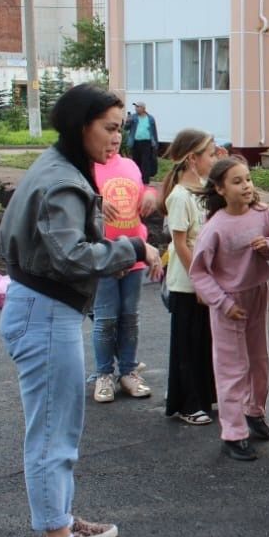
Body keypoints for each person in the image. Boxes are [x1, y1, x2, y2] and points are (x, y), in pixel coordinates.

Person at [0, 83, 163, 537]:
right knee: (53, 430)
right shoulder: (63, 181)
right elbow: (70, 256)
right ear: (80, 126)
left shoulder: (59, 168)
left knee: (59, 424)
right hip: (46, 312)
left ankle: (60, 517)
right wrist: (131, 249)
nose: (118, 139)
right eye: (110, 128)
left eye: (121, 129)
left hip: (42, 307)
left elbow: (19, 233)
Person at [188, 158, 269, 461]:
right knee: (231, 368)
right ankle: (233, 432)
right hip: (229, 302)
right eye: (237, 182)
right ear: (220, 189)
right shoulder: (215, 227)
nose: (246, 186)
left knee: (259, 361)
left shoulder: (264, 215)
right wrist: (224, 303)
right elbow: (199, 272)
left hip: (257, 294)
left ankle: (254, 412)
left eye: (248, 179)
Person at [90, 137, 159, 405]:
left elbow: (142, 190)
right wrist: (94, 203)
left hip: (134, 255)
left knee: (130, 317)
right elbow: (76, 205)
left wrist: (151, 195)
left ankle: (128, 371)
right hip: (103, 254)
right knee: (105, 319)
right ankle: (104, 374)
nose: (112, 142)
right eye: (106, 137)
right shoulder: (87, 170)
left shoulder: (129, 165)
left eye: (117, 136)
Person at [159, 128, 219, 426]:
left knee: (205, 341)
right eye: (210, 153)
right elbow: (181, 243)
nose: (215, 157)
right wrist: (199, 281)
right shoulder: (180, 196)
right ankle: (186, 403)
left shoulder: (206, 189)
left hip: (206, 280)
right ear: (193, 159)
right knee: (186, 343)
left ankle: (206, 396)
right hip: (187, 284)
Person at [123, 102, 160, 185]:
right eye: (135, 107)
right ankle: (136, 179)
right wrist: (128, 121)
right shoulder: (133, 117)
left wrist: (156, 144)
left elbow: (154, 132)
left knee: (145, 162)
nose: (136, 108)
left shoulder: (150, 118)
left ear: (143, 108)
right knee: (136, 161)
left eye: (138, 107)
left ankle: (145, 181)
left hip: (147, 143)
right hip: (135, 142)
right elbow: (126, 128)